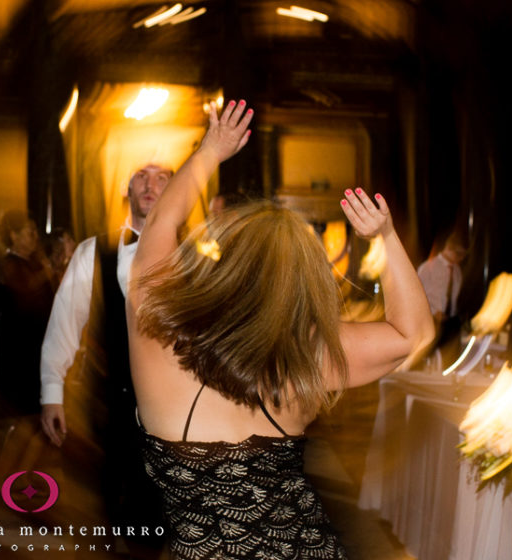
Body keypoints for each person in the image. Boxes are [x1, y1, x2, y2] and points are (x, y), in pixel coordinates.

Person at [128, 99, 435, 558]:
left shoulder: (156, 325)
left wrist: (211, 150)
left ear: (222, 264)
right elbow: (414, 334)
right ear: (304, 284)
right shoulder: (309, 357)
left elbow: (163, 222)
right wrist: (386, 238)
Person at [39, 162, 172, 554]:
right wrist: (52, 392)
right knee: (114, 501)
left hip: (175, 408)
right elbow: (64, 320)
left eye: (162, 177)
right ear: (126, 187)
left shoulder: (193, 255)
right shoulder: (92, 251)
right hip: (113, 404)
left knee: (159, 512)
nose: (150, 185)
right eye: (141, 176)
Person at [0, 210, 55, 491]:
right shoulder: (6, 266)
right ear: (14, 236)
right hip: (17, 352)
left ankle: (22, 475)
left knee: (44, 421)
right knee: (26, 420)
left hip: (39, 350)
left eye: (34, 233)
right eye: (28, 232)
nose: (34, 238)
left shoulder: (34, 264)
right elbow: (23, 292)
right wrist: (47, 272)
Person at [417, 231, 467, 363]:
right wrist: (433, 312)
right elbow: (417, 295)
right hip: (433, 321)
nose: (461, 258)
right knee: (432, 360)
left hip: (451, 323)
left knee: (451, 360)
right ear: (449, 249)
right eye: (459, 254)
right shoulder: (428, 268)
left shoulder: (457, 271)